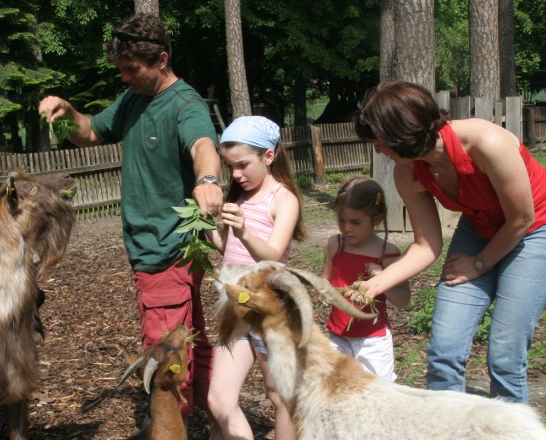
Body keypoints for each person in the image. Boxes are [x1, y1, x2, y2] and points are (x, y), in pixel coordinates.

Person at [38, 13, 223, 420]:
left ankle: (173, 424)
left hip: (165, 249)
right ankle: (216, 420)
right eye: (120, 70)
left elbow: (203, 145)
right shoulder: (134, 100)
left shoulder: (184, 104)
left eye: (131, 69)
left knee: (165, 360)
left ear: (161, 59)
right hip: (157, 250)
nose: (125, 77)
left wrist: (208, 179)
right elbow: (88, 132)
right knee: (190, 341)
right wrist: (67, 110)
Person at [353, 80, 546, 403]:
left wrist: (480, 263)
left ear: (402, 133)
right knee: (444, 350)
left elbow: (521, 219)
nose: (377, 150)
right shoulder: (409, 172)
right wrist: (374, 285)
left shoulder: (488, 142)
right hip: (479, 228)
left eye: (379, 141)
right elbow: (426, 244)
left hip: (533, 230)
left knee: (505, 357)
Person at [204, 116, 305, 440]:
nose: (236, 174)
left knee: (280, 395)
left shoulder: (283, 198)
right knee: (218, 399)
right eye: (230, 167)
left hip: (269, 311)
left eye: (243, 165)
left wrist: (243, 230)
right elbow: (228, 249)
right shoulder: (241, 196)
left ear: (269, 156)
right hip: (234, 309)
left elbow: (273, 254)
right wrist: (205, 225)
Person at [319, 177, 410, 382]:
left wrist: (382, 278)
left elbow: (403, 300)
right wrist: (324, 290)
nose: (346, 228)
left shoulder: (387, 253)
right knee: (338, 388)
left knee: (379, 391)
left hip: (373, 339)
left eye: (355, 222)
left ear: (377, 219)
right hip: (338, 335)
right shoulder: (335, 245)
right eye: (342, 220)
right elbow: (325, 278)